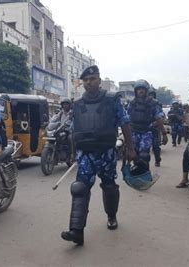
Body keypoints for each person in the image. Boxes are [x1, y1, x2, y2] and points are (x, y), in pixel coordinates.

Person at [61, 65, 135, 246]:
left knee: (109, 186)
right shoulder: (77, 104)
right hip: (85, 153)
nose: (89, 82)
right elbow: (73, 131)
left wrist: (131, 148)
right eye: (85, 80)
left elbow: (125, 124)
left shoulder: (112, 100)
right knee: (79, 188)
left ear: (99, 80)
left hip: (107, 152)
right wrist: (72, 153)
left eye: (92, 79)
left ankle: (111, 216)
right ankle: (76, 231)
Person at [128, 80, 168, 173]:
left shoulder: (153, 103)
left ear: (146, 91)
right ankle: (137, 173)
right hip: (134, 132)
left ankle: (146, 173)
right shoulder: (132, 103)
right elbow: (127, 120)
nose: (140, 91)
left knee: (144, 155)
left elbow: (159, 118)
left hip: (147, 131)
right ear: (135, 91)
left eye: (143, 89)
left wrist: (164, 133)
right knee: (135, 154)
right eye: (139, 89)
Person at [148, 89, 165, 166]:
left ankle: (157, 160)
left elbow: (161, 115)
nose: (151, 96)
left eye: (152, 94)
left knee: (155, 146)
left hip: (154, 127)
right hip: (144, 127)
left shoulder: (156, 103)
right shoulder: (140, 102)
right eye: (149, 94)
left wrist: (157, 123)